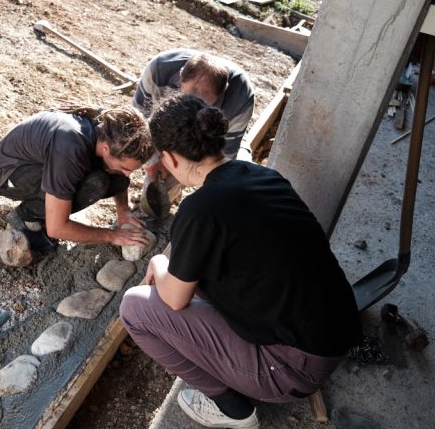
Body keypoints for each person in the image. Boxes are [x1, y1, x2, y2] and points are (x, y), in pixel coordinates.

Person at [119, 94, 362, 428]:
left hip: (293, 370)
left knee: (135, 308)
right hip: (335, 334)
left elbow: (174, 299)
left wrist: (158, 266)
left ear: (171, 158)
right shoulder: (260, 175)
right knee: (194, 275)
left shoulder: (200, 210)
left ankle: (230, 408)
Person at [0, 105, 154, 267]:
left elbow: (120, 179)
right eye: (125, 168)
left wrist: (123, 211)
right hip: (9, 173)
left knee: (115, 179)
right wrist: (112, 236)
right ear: (106, 149)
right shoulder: (71, 147)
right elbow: (57, 228)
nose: (128, 175)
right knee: (96, 184)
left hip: (40, 162)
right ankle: (29, 213)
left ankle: (45, 207)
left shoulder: (111, 131)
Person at [132, 49, 255, 217]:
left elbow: (224, 158)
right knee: (155, 198)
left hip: (217, 138)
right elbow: (139, 124)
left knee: (234, 187)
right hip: (172, 132)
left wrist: (204, 197)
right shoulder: (158, 71)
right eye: (187, 96)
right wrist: (154, 161)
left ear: (222, 91)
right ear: (180, 77)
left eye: (201, 102)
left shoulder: (240, 97)